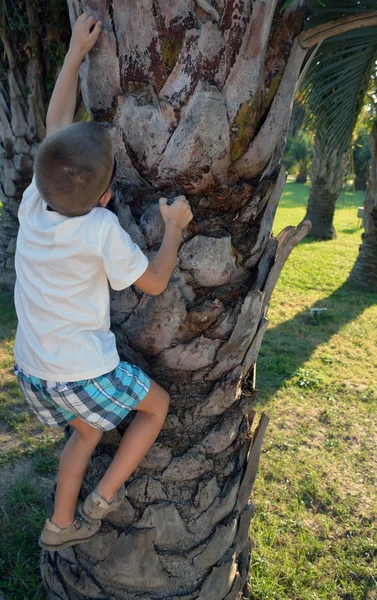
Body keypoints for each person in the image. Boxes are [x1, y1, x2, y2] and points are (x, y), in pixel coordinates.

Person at [13, 13, 193, 552]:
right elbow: (156, 283)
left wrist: (74, 53)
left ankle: (59, 524)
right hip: (79, 371)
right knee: (156, 405)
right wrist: (174, 229)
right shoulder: (99, 229)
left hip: (34, 368)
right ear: (105, 196)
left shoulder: (32, 204)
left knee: (87, 432)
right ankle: (103, 498)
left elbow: (56, 126)